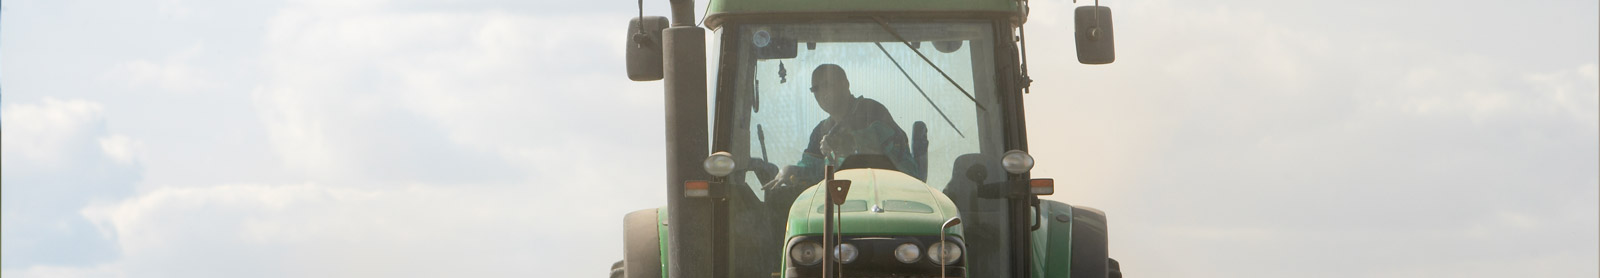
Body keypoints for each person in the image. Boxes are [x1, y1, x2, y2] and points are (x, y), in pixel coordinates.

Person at [762, 64, 921, 192]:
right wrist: (792, 171)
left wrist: (849, 143)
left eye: (827, 85)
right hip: (840, 205)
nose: (822, 93)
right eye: (816, 89)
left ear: (846, 84)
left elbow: (891, 158)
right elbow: (813, 170)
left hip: (889, 197)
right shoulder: (820, 131)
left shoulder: (872, 112)